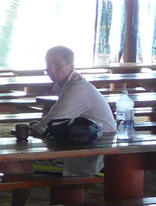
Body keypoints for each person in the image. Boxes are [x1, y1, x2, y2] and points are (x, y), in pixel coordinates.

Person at [31, 45, 117, 178]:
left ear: (71, 66)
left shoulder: (76, 89)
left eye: (57, 64)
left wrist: (30, 129)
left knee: (17, 165)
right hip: (86, 146)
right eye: (48, 64)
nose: (51, 70)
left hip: (95, 157)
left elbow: (46, 126)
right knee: (19, 163)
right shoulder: (70, 85)